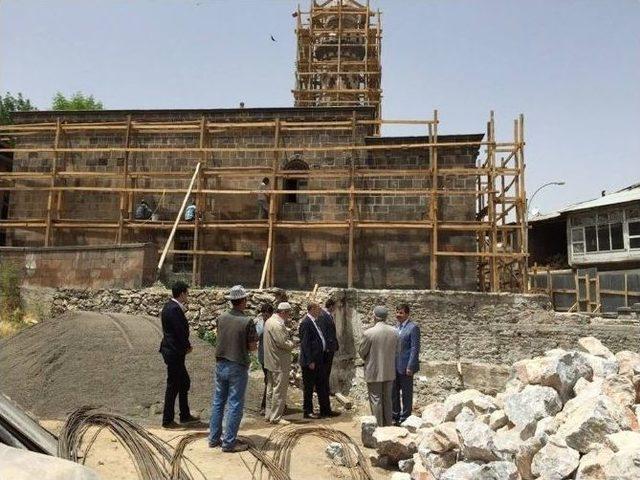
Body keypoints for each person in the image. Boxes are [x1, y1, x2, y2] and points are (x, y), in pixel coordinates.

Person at [208, 285, 258, 453]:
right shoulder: (248, 321)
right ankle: (229, 442)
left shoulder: (221, 318)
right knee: (235, 404)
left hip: (220, 363)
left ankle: (214, 439)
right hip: (237, 364)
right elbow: (252, 347)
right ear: (243, 301)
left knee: (218, 402)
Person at [159, 281, 199, 428]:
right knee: (173, 385)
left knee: (184, 382)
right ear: (182, 293)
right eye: (187, 293)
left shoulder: (170, 306)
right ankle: (168, 419)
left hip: (173, 351)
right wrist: (187, 346)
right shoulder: (174, 309)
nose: (187, 296)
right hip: (174, 351)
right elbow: (179, 332)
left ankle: (184, 414)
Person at [358, 306, 399, 427]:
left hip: (374, 371)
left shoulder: (368, 333)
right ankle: (388, 426)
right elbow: (398, 351)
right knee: (387, 399)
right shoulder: (395, 332)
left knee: (376, 400)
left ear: (375, 316)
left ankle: (378, 428)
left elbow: (362, 352)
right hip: (389, 371)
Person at [299, 302, 335, 419]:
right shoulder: (306, 323)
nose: (320, 310)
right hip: (311, 361)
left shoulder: (314, 321)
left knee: (322, 384)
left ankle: (325, 409)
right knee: (309, 387)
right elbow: (305, 344)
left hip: (319, 359)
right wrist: (310, 361)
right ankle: (308, 411)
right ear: (312, 309)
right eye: (318, 308)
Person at [263, 302, 294, 425]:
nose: (289, 316)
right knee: (279, 390)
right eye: (288, 313)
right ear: (283, 312)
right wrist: (292, 344)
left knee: (271, 389)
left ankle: (269, 414)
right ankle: (276, 417)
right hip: (279, 361)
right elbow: (282, 342)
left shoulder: (269, 321)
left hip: (271, 361)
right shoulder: (277, 324)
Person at [393, 303, 420, 425]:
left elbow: (414, 348)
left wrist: (410, 366)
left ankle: (405, 418)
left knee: (406, 394)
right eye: (397, 312)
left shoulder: (413, 328)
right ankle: (395, 416)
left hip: (406, 367)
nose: (398, 315)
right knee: (394, 392)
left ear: (407, 314)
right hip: (394, 366)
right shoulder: (395, 328)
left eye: (401, 313)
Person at [254, 303, 274, 415]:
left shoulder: (275, 323)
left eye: (267, 315)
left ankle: (271, 404)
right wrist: (262, 325)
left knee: (272, 381)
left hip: (273, 356)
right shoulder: (260, 323)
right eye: (264, 315)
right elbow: (256, 336)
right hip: (264, 357)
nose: (266, 317)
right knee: (268, 380)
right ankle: (265, 406)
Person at [317, 298, 339, 395]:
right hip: (327, 349)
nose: (335, 308)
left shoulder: (328, 315)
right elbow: (324, 333)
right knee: (325, 369)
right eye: (334, 306)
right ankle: (324, 389)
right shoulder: (323, 316)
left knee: (327, 369)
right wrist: (326, 347)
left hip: (330, 347)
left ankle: (325, 388)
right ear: (331, 306)